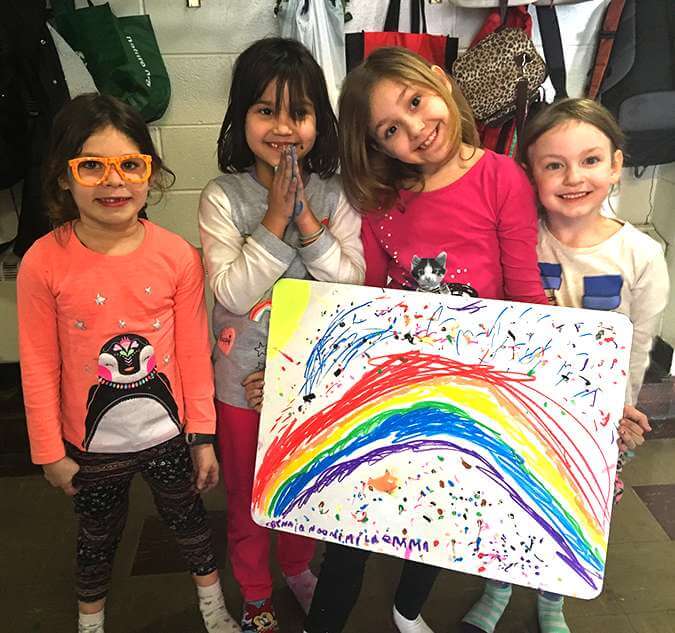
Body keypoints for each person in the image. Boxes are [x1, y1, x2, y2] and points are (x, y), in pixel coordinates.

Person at [300, 46, 548, 633]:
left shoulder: (501, 176)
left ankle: (408, 610)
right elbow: (366, 300)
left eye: (416, 102)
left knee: (440, 514)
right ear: (379, 145)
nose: (416, 128)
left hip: (471, 388)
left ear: (439, 80)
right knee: (351, 524)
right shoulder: (385, 198)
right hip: (395, 384)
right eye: (391, 128)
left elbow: (526, 293)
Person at [16, 94, 240, 633]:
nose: (112, 182)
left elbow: (192, 350)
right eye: (91, 165)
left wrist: (202, 434)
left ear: (150, 173)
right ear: (63, 177)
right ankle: (90, 622)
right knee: (97, 540)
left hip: (169, 437)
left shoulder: (177, 256)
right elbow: (39, 365)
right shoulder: (42, 261)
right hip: (89, 447)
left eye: (130, 165)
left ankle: (213, 609)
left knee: (190, 527)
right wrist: (49, 451)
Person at [461, 98, 668, 633]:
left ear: (617, 165)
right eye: (554, 164)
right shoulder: (517, 240)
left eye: (590, 161)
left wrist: (624, 410)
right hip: (520, 405)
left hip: (595, 418)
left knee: (574, 509)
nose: (573, 177)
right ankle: (498, 583)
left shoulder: (641, 255)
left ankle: (553, 596)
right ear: (530, 174)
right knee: (505, 495)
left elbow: (638, 346)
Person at [198, 37, 365, 633]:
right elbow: (232, 294)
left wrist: (303, 219)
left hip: (312, 385)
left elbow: (351, 280)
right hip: (240, 388)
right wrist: (273, 216)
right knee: (246, 499)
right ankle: (255, 590)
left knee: (305, 490)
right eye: (266, 110)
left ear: (320, 119)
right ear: (241, 116)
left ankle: (296, 566)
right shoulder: (223, 196)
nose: (283, 127)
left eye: (299, 112)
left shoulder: (336, 193)